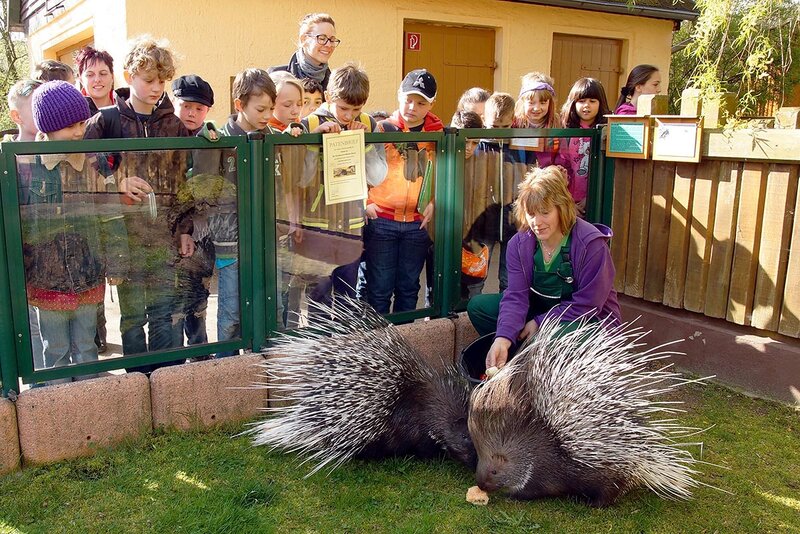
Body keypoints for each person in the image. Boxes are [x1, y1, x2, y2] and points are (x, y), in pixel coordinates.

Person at [84, 35, 193, 374]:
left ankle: (163, 380)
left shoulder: (175, 126)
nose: (157, 87)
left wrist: (186, 230)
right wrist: (117, 181)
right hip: (123, 238)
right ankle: (137, 384)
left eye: (162, 80)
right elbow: (83, 167)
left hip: (164, 236)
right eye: (149, 80)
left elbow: (183, 184)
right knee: (132, 316)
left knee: (164, 311)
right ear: (130, 75)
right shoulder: (104, 121)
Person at [467, 165, 621, 369]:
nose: (536, 222)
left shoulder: (591, 244)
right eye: (531, 214)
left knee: (550, 339)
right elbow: (515, 296)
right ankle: (517, 352)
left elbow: (589, 305)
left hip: (589, 319)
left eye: (545, 213)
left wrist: (540, 322)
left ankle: (554, 360)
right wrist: (503, 337)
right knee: (479, 308)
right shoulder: (519, 244)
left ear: (561, 208)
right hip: (544, 310)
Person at [23, 81, 127, 379]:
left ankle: (89, 404)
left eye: (81, 123)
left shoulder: (94, 166)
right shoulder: (28, 166)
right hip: (46, 280)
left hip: (87, 274)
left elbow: (111, 216)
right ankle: (54, 409)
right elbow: (23, 227)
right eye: (70, 126)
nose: (79, 131)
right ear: (49, 128)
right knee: (53, 350)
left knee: (86, 347)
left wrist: (116, 259)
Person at [192, 68, 278, 355]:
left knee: (269, 308)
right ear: (239, 105)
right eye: (261, 109)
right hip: (230, 242)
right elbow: (204, 187)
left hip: (267, 241)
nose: (267, 115)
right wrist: (206, 145)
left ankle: (264, 365)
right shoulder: (220, 137)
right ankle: (226, 369)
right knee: (230, 311)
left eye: (271, 108)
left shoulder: (273, 138)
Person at [365, 68, 443, 314]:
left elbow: (445, 175)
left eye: (420, 103)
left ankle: (406, 340)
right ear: (399, 95)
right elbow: (364, 169)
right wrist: (366, 201)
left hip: (418, 224)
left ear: (431, 104)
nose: (412, 107)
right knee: (379, 289)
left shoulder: (439, 136)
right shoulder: (381, 129)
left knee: (409, 288)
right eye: (408, 99)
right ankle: (378, 346)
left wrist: (435, 202)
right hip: (383, 220)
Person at [171, 74, 218, 351]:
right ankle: (175, 357)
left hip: (202, 231)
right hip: (172, 230)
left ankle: (200, 350)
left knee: (199, 295)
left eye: (199, 108)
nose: (191, 113)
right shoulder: (167, 137)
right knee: (174, 298)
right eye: (186, 106)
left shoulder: (211, 140)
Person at [560, 77, 610, 216]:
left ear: (601, 103)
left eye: (592, 101)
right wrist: (568, 202)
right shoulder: (567, 133)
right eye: (581, 101)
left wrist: (591, 197)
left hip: (597, 200)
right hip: (569, 203)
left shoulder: (606, 132)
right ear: (573, 103)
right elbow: (563, 168)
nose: (586, 105)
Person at [269, 13, 340, 91]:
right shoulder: (275, 78)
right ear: (304, 39)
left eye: (332, 39)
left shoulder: (336, 85)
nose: (329, 44)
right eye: (322, 38)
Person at [514, 72, 564, 168]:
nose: (537, 108)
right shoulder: (514, 124)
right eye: (531, 103)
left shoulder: (557, 124)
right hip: (518, 173)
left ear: (550, 103)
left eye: (543, 102)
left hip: (546, 176)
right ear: (522, 102)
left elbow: (561, 156)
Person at [75, 46, 115, 114]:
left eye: (103, 73)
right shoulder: (73, 113)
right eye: (90, 75)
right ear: (81, 79)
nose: (97, 79)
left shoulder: (129, 107)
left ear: (112, 77)